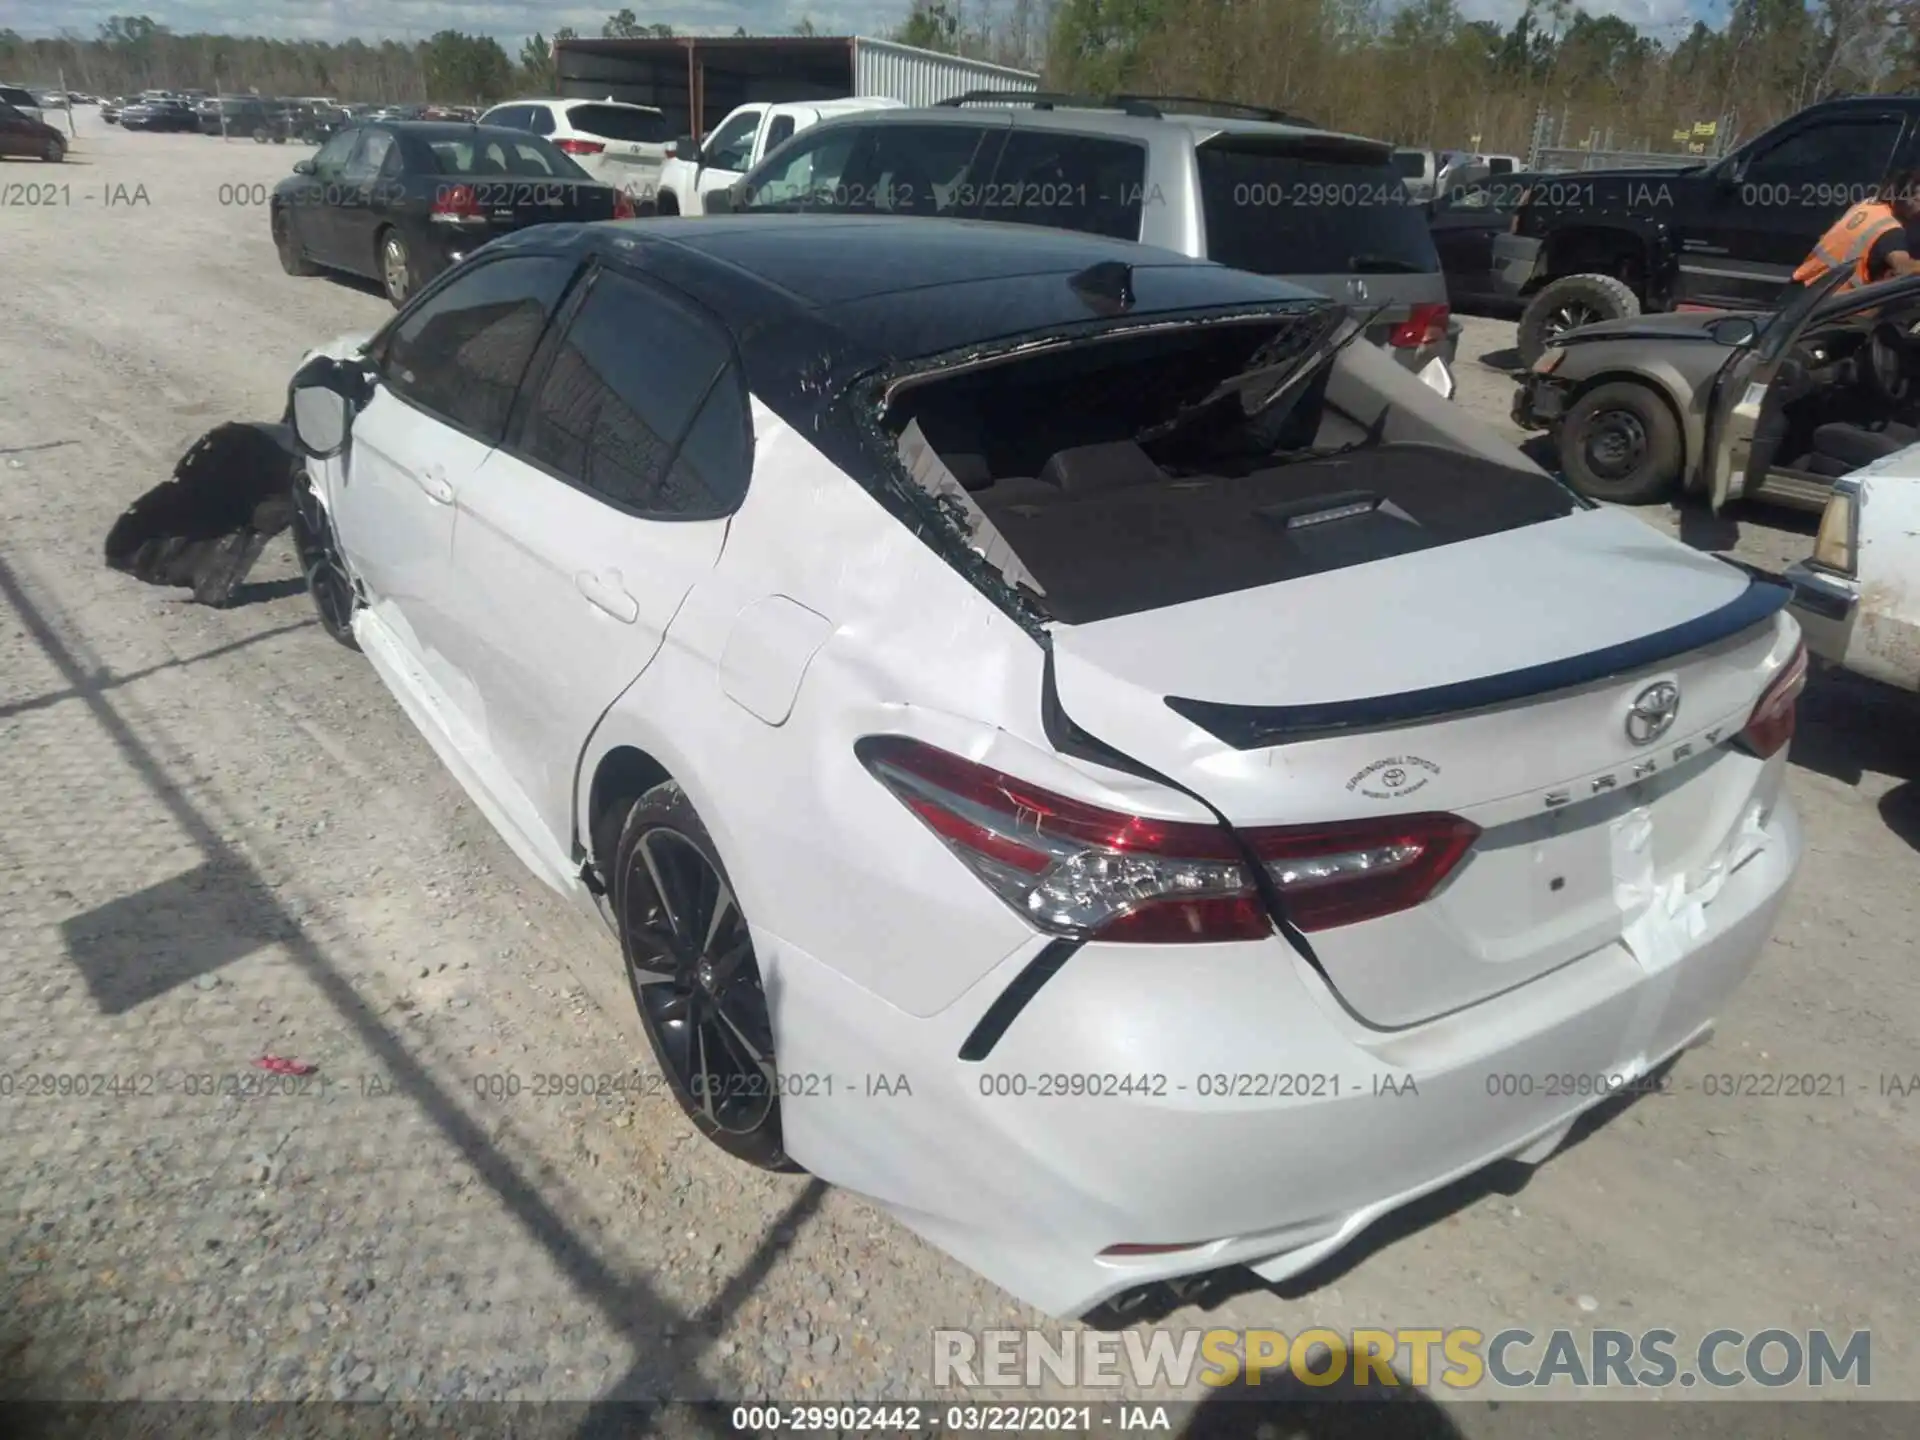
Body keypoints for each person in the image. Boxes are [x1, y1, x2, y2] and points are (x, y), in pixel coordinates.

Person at [1791, 168, 1920, 292]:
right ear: (1904, 199)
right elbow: (1904, 268)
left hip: (1805, 287)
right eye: (1918, 200)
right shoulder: (1890, 231)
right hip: (1830, 302)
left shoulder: (1868, 205)